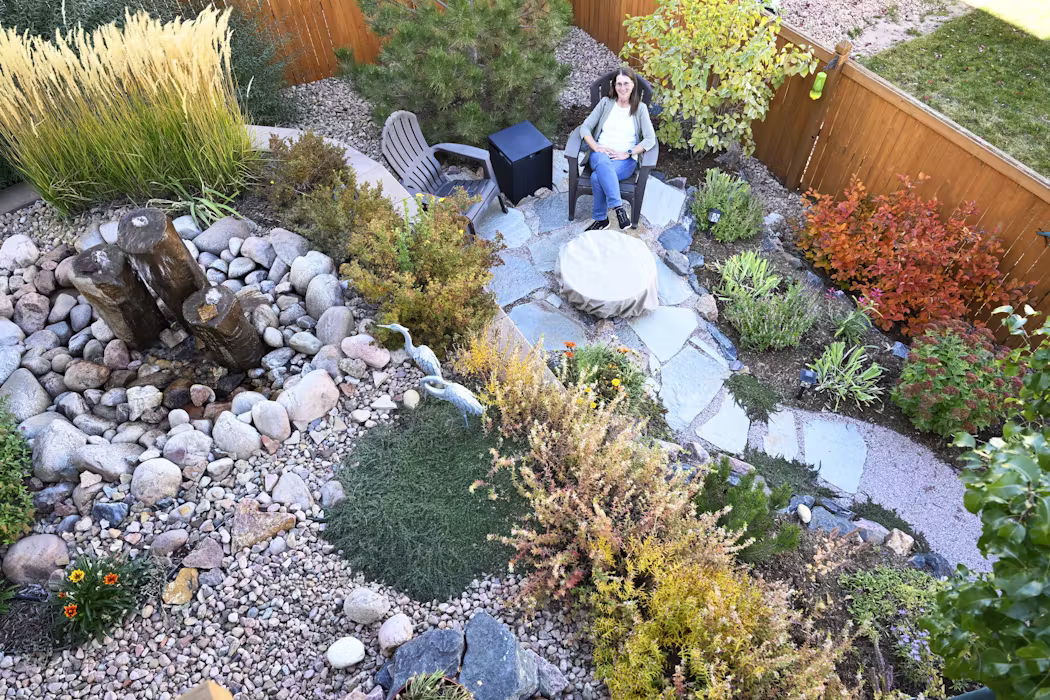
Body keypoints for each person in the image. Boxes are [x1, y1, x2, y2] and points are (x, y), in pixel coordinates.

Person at [578, 66, 657, 231]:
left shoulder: (640, 109)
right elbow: (585, 128)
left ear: (633, 85)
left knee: (596, 178)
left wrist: (627, 153)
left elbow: (650, 139)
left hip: (625, 160)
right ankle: (618, 208)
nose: (622, 88)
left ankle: (601, 220)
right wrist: (596, 147)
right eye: (619, 84)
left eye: (626, 83)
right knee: (601, 160)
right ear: (614, 86)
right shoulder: (606, 103)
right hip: (599, 155)